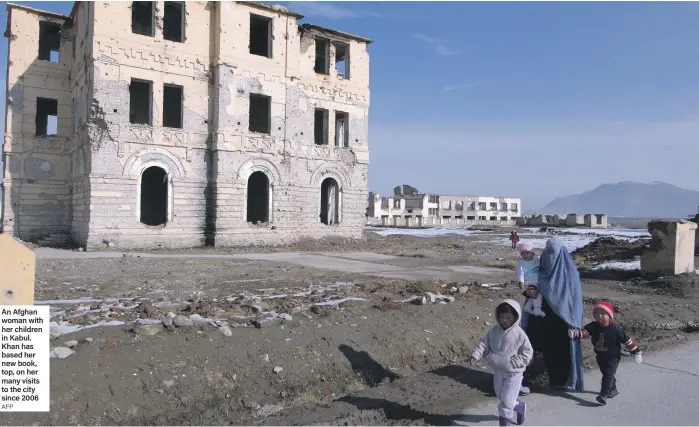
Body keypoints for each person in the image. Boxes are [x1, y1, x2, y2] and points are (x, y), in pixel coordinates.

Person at [520, 237, 585, 393]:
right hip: (539, 320)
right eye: (547, 252)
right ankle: (527, 380)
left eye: (553, 253)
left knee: (560, 352)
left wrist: (572, 323)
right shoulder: (539, 271)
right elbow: (529, 288)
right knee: (532, 348)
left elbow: (573, 303)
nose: (550, 257)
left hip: (561, 323)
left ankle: (559, 381)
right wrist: (529, 292)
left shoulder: (570, 275)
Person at [469, 299, 533, 426]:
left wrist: (514, 362)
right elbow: (484, 344)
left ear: (515, 318)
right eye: (502, 317)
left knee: (507, 402)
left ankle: (505, 422)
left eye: (508, 318)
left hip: (514, 373)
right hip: (498, 370)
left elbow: (527, 353)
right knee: (501, 396)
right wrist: (476, 355)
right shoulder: (494, 331)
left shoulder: (520, 334)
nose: (505, 320)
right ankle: (519, 406)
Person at [568, 301, 643, 405]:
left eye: (603, 314)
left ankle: (604, 395)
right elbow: (585, 333)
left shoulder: (615, 329)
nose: (600, 316)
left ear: (610, 315)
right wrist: (576, 333)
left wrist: (636, 352)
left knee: (607, 375)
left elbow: (627, 340)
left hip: (613, 358)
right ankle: (613, 390)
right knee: (607, 374)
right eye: (597, 314)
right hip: (600, 356)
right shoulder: (594, 326)